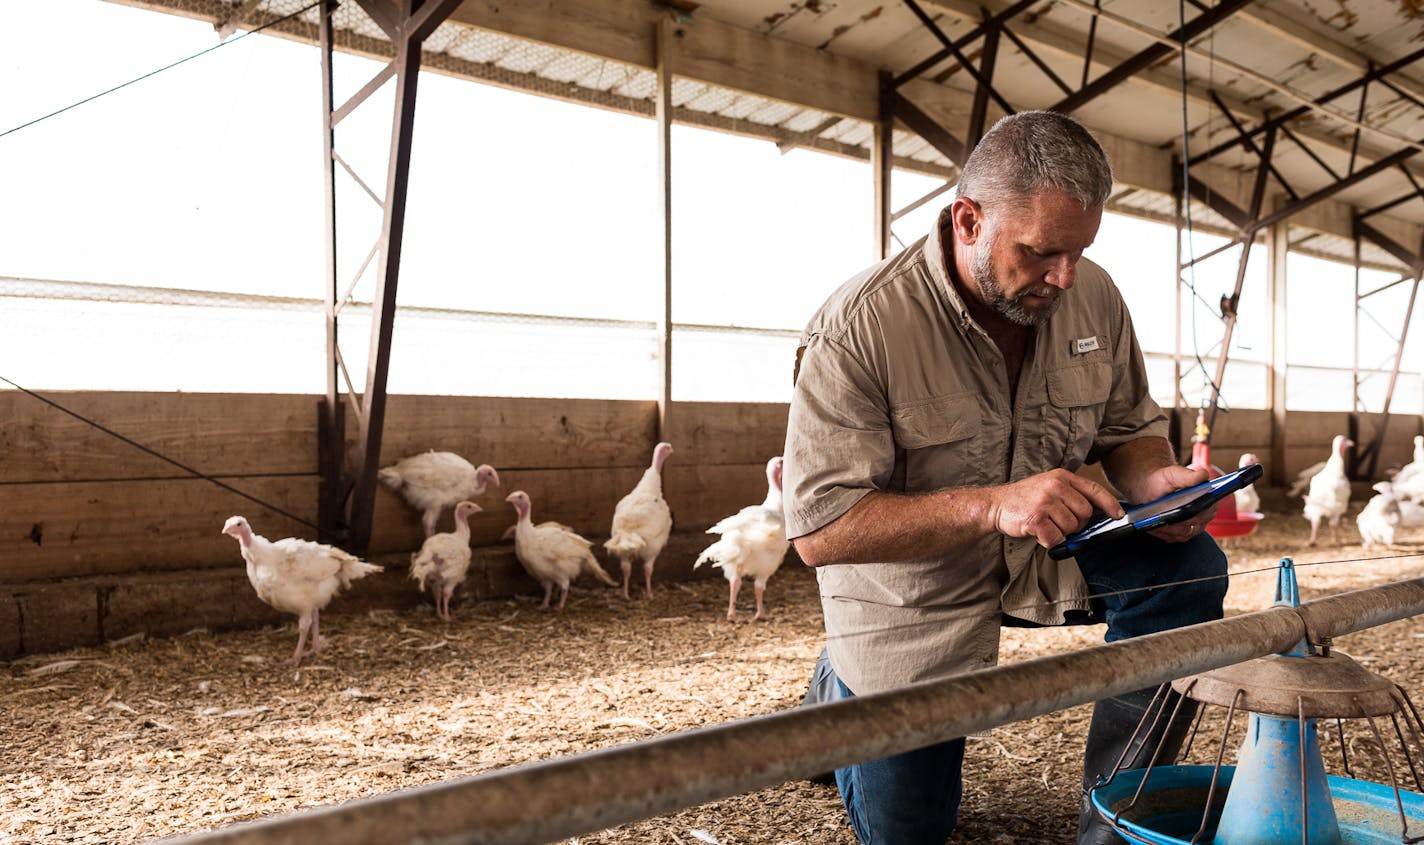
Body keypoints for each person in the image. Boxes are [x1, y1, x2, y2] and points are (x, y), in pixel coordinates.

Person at [784, 110, 1228, 845]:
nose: (1065, 276)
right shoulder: (859, 328)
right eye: (1041, 252)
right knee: (909, 831)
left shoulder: (1092, 294)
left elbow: (1130, 430)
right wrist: (992, 506)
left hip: (1050, 543)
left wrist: (1158, 483)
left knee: (1188, 571)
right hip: (915, 590)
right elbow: (822, 530)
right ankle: (842, 681)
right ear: (967, 221)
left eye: (1080, 250)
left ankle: (1116, 820)